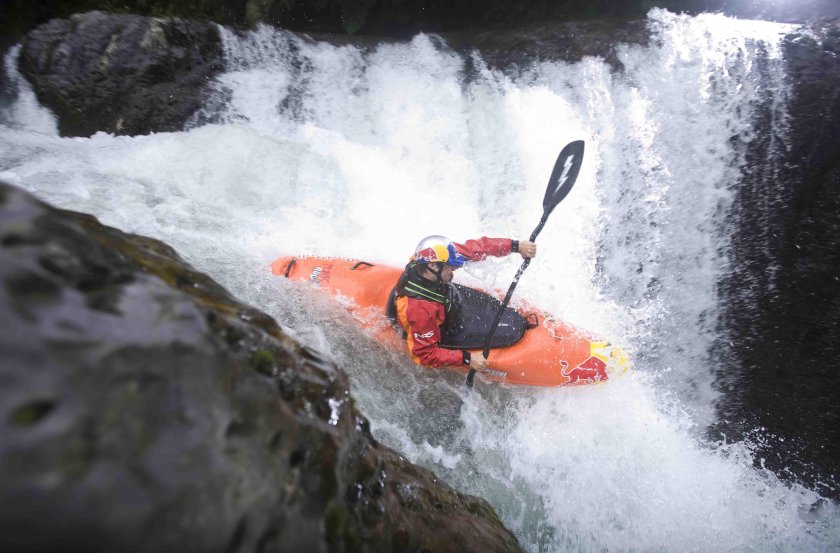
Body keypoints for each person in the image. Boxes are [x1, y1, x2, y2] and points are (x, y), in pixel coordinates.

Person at [391, 235, 537, 372]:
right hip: (434, 326)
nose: (454, 269)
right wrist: (467, 359)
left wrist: (515, 246)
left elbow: (477, 248)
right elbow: (425, 355)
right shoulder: (419, 310)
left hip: (448, 306)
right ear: (433, 266)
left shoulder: (431, 257)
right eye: (450, 267)